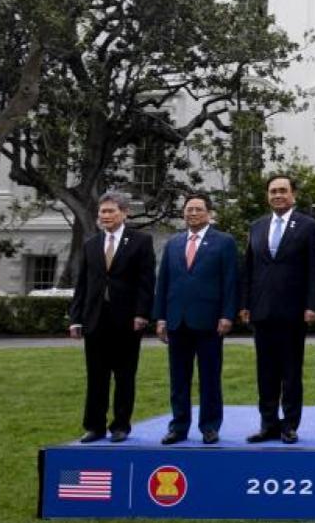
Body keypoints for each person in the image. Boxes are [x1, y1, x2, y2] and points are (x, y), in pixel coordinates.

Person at [238, 173, 315, 444]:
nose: (278, 195)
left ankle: (289, 425)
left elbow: (313, 268)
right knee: (266, 372)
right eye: (273, 191)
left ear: (293, 194)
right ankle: (268, 424)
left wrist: (312, 305)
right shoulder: (257, 226)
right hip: (262, 311)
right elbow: (249, 268)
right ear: (267, 195)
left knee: (290, 372)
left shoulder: (307, 226)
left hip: (293, 311)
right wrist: (245, 303)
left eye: (283, 190)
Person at [68, 190, 155, 443]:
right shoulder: (91, 244)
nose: (105, 216)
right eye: (102, 212)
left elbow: (146, 281)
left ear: (124, 213)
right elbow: (82, 284)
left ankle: (120, 425)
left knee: (125, 376)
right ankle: (94, 426)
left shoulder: (140, 241)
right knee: (96, 376)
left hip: (127, 320)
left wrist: (142, 313)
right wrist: (76, 318)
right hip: (95, 320)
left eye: (110, 211)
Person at [154, 193, 239, 445]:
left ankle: (210, 426)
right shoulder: (174, 243)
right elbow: (164, 282)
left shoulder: (224, 242)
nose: (192, 213)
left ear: (209, 213)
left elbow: (231, 281)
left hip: (210, 322)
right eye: (188, 209)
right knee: (178, 378)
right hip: (177, 321)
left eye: (198, 209)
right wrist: (160, 318)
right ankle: (178, 426)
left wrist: (227, 314)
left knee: (210, 377)